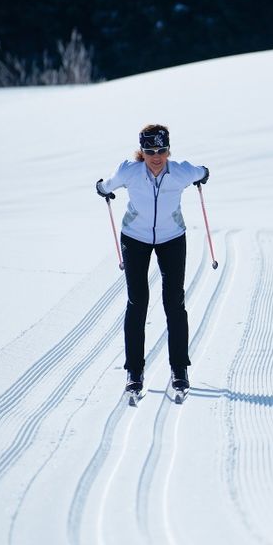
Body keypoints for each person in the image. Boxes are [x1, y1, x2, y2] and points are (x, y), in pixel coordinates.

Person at [95, 124, 209, 395]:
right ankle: (134, 371)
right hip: (135, 238)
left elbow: (201, 172)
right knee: (137, 302)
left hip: (172, 238)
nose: (156, 157)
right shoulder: (129, 172)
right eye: (150, 151)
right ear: (142, 152)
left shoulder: (180, 172)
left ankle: (179, 369)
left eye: (161, 150)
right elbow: (107, 185)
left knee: (174, 302)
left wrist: (204, 174)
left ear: (168, 151)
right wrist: (101, 188)